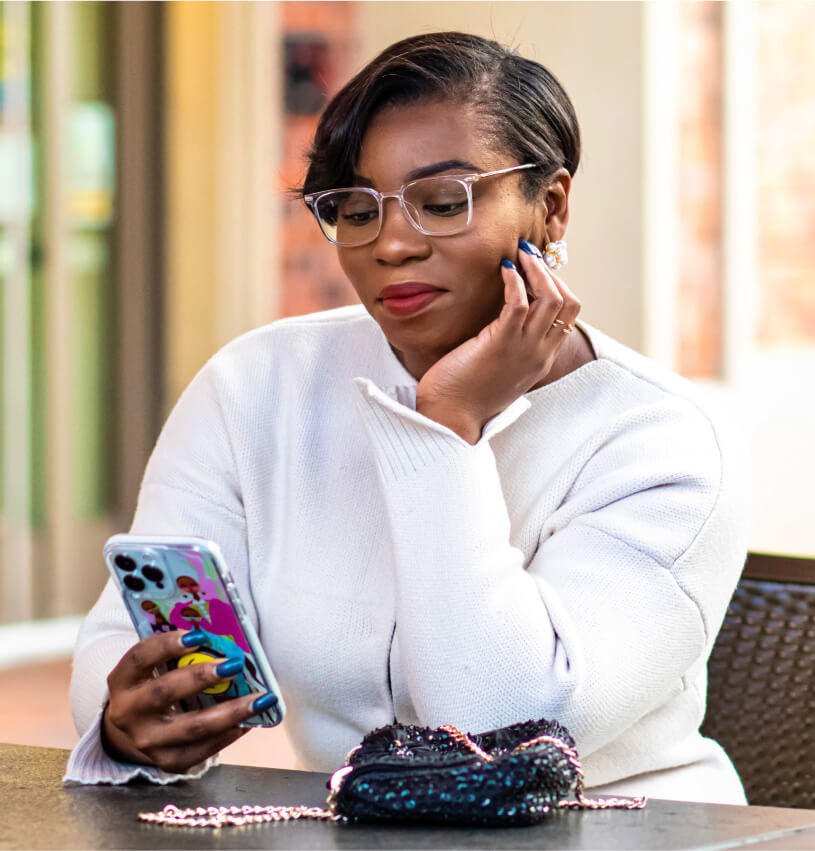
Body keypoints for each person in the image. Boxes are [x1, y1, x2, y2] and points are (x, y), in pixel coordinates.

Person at [65, 31, 748, 802]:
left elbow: (508, 727)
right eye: (357, 208)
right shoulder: (256, 387)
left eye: (442, 201)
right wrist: (128, 721)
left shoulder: (662, 439)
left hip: (630, 828)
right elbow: (121, 642)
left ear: (551, 206)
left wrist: (445, 426)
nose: (391, 243)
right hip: (355, 825)